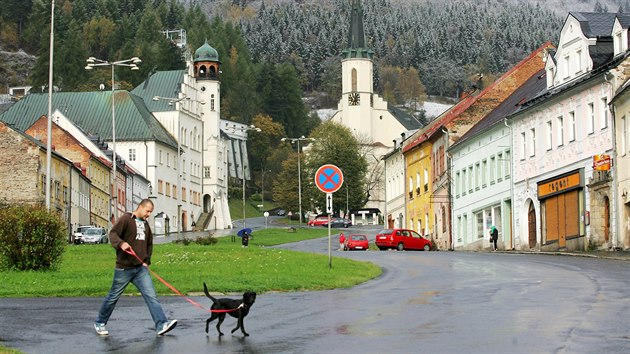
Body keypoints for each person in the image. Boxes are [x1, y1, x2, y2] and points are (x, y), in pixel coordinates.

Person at [94, 199, 177, 336]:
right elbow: (113, 234)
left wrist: (147, 261)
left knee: (151, 296)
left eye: (150, 212)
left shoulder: (145, 225)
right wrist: (121, 244)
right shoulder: (126, 219)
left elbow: (149, 244)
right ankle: (100, 323)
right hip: (124, 268)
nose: (148, 214)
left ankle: (161, 324)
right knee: (113, 297)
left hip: (140, 269)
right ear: (140, 207)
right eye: (147, 211)